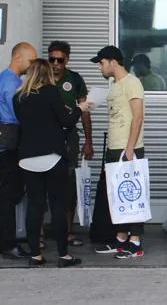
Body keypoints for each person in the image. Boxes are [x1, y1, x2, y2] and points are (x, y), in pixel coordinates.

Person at [13, 59, 91, 267]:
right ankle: (63, 255)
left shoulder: (18, 97)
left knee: (34, 206)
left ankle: (35, 255)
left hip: (26, 158)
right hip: (52, 157)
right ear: (47, 73)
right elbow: (66, 122)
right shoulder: (51, 92)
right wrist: (79, 108)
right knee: (58, 205)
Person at [91, 46, 146, 259]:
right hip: (114, 148)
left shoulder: (132, 83)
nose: (99, 67)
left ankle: (136, 242)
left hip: (128, 148)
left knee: (132, 193)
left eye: (101, 62)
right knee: (116, 196)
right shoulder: (114, 85)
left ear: (113, 62)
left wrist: (130, 148)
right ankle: (121, 239)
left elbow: (137, 117)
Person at [48, 40, 93, 248]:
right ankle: (39, 235)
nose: (55, 63)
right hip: (45, 138)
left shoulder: (74, 79)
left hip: (69, 139)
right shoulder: (42, 76)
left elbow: (84, 111)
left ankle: (67, 232)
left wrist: (88, 141)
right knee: (42, 186)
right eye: (52, 59)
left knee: (69, 185)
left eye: (60, 59)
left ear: (67, 59)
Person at [0, 42, 36, 260]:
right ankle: (8, 243)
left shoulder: (3, 77)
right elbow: (19, 114)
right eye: (30, 60)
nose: (32, 65)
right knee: (9, 195)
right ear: (18, 57)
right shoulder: (12, 83)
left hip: (4, 142)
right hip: (10, 143)